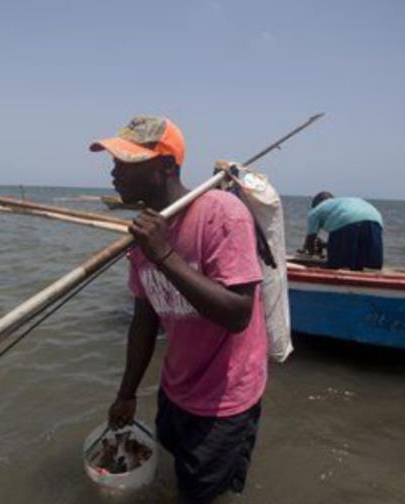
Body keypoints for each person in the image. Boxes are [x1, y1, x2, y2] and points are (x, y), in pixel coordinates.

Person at [92, 116, 268, 503]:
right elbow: (144, 318)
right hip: (176, 389)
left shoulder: (221, 213)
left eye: (125, 163)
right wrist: (127, 393)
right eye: (115, 162)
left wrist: (164, 254)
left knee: (205, 493)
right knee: (176, 475)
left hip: (225, 400)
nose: (114, 173)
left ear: (165, 166)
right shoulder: (144, 233)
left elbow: (239, 314)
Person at [297, 191, 384, 270]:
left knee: (338, 266)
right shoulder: (341, 203)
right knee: (369, 267)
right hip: (375, 219)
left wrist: (311, 252)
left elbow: (310, 239)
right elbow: (350, 241)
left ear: (315, 203)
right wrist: (327, 245)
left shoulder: (316, 210)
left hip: (346, 220)